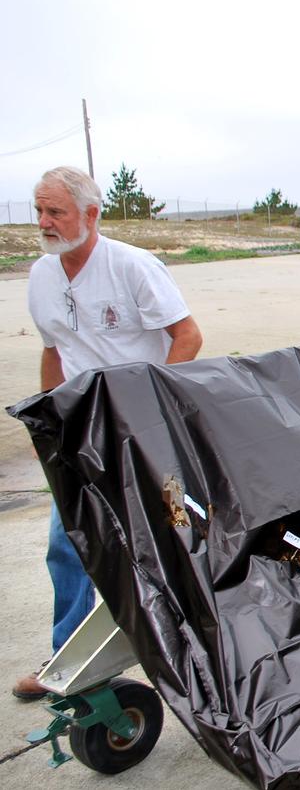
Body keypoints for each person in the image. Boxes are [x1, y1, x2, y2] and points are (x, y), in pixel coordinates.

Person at [13, 166, 203, 700]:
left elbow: (186, 336)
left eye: (57, 212)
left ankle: (205, 644)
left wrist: (154, 409)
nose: (46, 223)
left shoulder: (132, 267)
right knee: (66, 541)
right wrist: (49, 424)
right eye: (40, 211)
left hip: (138, 425)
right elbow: (53, 351)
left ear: (91, 214)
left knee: (176, 533)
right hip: (78, 429)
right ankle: (67, 661)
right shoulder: (42, 274)